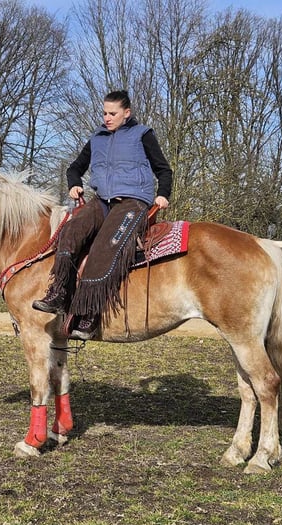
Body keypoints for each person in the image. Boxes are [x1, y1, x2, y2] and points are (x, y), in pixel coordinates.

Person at [32, 89, 173, 340]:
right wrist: (73, 183)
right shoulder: (97, 137)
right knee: (71, 231)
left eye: (113, 113)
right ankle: (60, 291)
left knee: (104, 246)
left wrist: (163, 193)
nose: (107, 118)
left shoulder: (142, 135)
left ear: (126, 114)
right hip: (102, 201)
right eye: (104, 113)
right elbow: (75, 168)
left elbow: (163, 169)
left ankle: (90, 313)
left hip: (133, 202)